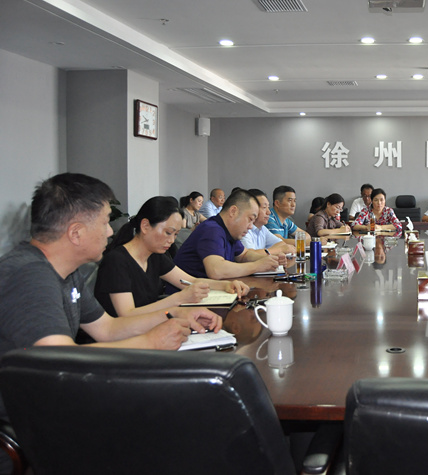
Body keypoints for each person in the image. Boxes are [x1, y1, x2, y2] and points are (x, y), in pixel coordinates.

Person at [0, 174, 222, 422]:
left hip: (57, 402)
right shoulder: (29, 275)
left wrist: (174, 313)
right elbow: (59, 362)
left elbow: (107, 328)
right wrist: (150, 341)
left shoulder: (67, 273)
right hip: (28, 418)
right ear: (76, 232)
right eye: (105, 222)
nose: (109, 231)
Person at [94, 196, 249, 317]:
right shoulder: (117, 261)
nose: (172, 240)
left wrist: (226, 285)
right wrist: (178, 299)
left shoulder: (155, 255)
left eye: (176, 234)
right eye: (168, 232)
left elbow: (189, 281)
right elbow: (127, 315)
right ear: (145, 226)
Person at [172, 188, 283, 281]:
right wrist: (257, 266)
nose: (250, 226)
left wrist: (270, 260)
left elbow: (244, 255)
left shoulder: (229, 232)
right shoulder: (212, 229)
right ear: (233, 211)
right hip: (187, 296)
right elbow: (216, 270)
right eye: (250, 219)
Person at [241, 189, 295, 255]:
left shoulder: (262, 229)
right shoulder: (243, 230)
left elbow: (281, 244)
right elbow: (249, 255)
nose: (268, 212)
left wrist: (277, 250)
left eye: (268, 207)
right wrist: (280, 250)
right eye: (264, 207)